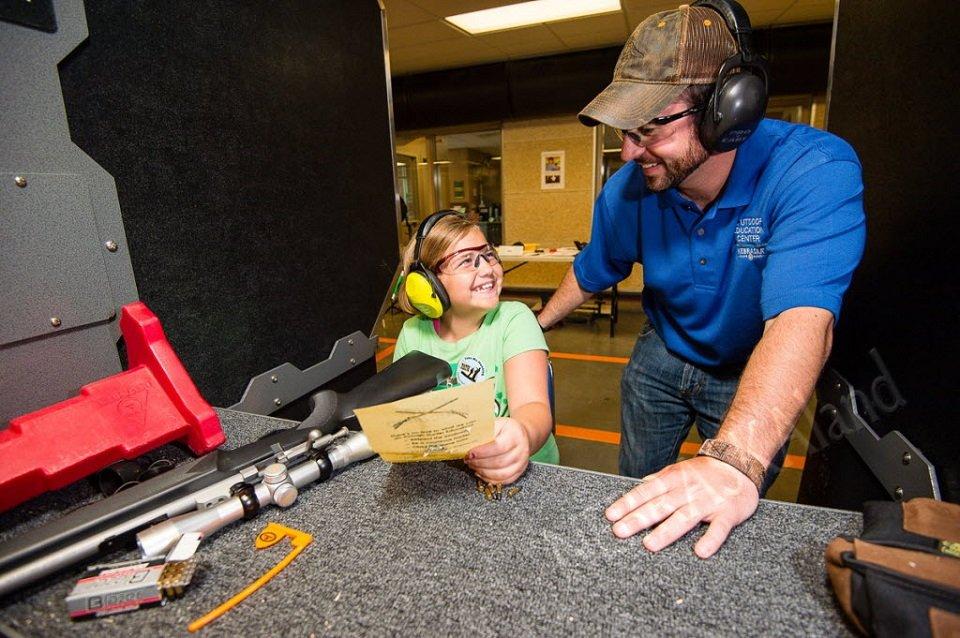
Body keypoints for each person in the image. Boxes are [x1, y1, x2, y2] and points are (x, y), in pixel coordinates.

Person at [535, 0, 865, 557]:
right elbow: (594, 270)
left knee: (722, 508)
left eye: (649, 128)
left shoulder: (813, 169)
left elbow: (803, 318)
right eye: (625, 130)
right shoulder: (630, 189)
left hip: (747, 371)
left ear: (727, 110)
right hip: (659, 358)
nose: (629, 150)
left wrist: (733, 458)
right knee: (640, 499)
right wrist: (531, 325)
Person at [394, 211, 560, 484]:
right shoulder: (413, 335)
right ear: (427, 283)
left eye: (488, 255)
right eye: (467, 261)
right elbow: (409, 420)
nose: (487, 269)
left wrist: (523, 437)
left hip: (525, 473)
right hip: (450, 474)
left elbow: (533, 407)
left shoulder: (514, 319)